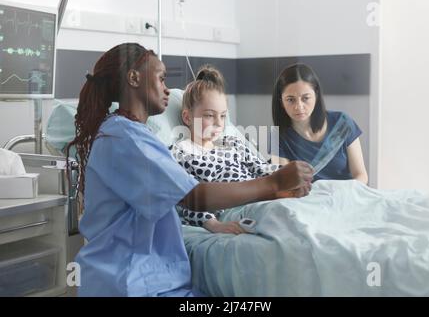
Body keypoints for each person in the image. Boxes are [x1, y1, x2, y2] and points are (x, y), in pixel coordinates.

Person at [66, 43, 314, 297]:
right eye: (162, 79)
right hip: (129, 283)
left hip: (151, 279)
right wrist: (274, 184)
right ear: (134, 78)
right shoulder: (125, 138)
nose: (166, 88)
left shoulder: (132, 134)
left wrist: (277, 185)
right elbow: (194, 197)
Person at [171, 65, 303, 235]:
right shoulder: (180, 154)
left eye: (223, 116)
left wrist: (289, 175)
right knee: (289, 223)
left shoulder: (233, 143)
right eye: (210, 115)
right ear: (187, 117)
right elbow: (188, 199)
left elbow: (262, 169)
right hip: (232, 210)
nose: (220, 123)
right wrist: (214, 225)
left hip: (263, 197)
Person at [271, 63, 368, 184]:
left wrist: (342, 196)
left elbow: (361, 176)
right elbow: (284, 184)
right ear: (281, 101)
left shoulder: (342, 123)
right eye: (290, 99)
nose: (298, 106)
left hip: (346, 197)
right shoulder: (276, 137)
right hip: (306, 200)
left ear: (316, 95)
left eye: (305, 98)